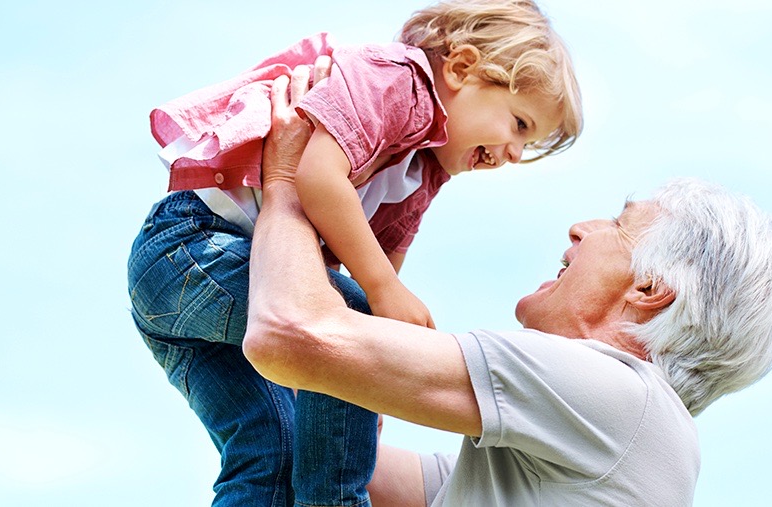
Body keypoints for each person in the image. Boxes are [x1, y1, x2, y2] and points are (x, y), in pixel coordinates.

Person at [243, 84, 772, 505]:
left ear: (651, 288)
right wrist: (351, 388)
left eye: (618, 224)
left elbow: (287, 333)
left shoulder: (620, 397)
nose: (581, 228)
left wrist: (290, 180)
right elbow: (339, 465)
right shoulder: (607, 440)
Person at [127, 1, 582, 505]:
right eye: (519, 124)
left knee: (271, 451)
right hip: (191, 251)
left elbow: (377, 263)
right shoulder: (396, 81)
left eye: (529, 142)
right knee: (348, 319)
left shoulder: (427, 172)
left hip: (219, 289)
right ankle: (338, 499)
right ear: (460, 68)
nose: (517, 154)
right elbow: (318, 179)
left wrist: (374, 380)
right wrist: (380, 308)